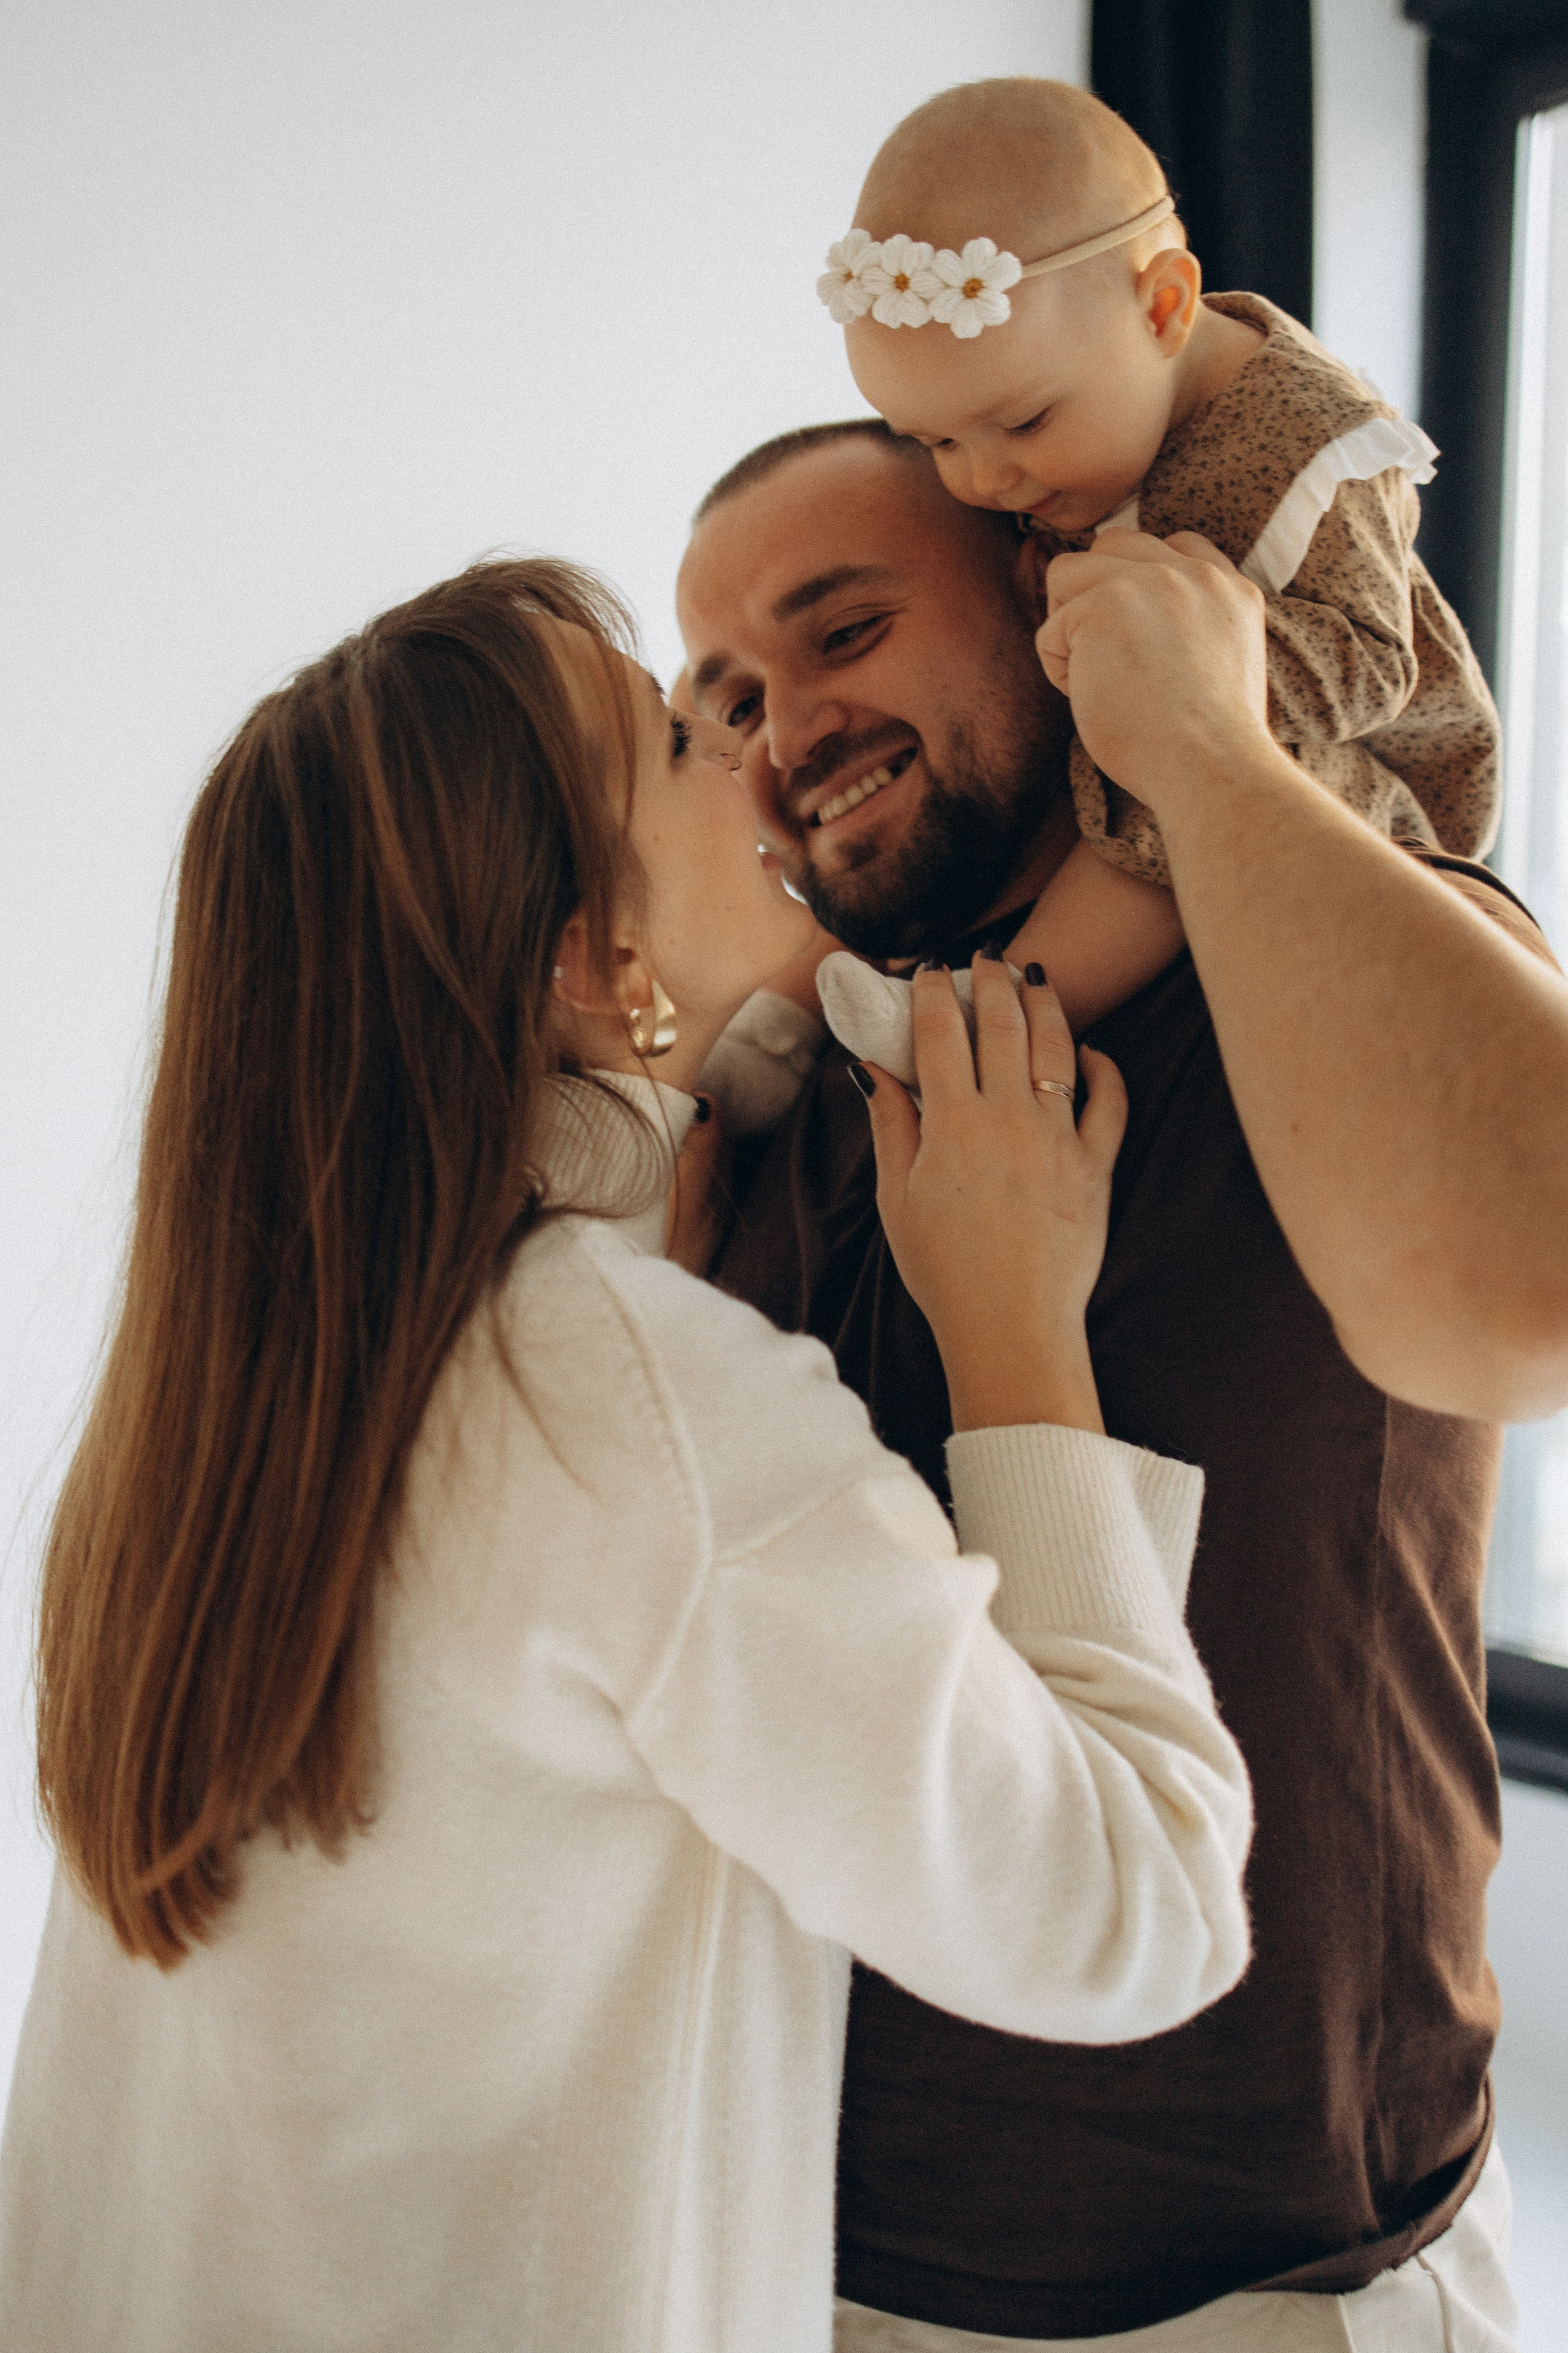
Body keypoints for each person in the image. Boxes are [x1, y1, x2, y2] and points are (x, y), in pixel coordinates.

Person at [0, 557, 1253, 2353]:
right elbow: (1136, 1910)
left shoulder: (216, 1410)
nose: (763, 750)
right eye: (685, 736)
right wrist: (1017, 1339)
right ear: (594, 958)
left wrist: (697, 1097)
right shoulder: (629, 1402)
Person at [676, 422, 1568, 2346]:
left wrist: (1213, 758)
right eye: (732, 695)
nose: (788, 727)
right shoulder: (804, 1100)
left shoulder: (1311, 965)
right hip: (804, 2266)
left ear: (1049, 599)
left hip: (1274, 2284)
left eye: (846, 629)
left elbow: (1549, 1278)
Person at [815, 76, 1499, 1002]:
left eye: (1023, 424)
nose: (984, 481)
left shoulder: (1318, 455)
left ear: (1165, 309)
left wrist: (1187, 672)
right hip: (1165, 727)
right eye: (934, 441)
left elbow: (1378, 668)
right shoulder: (1071, 417)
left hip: (1359, 783)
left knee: (1155, 817)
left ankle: (1004, 1011)